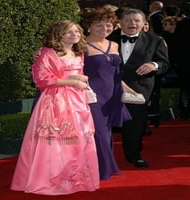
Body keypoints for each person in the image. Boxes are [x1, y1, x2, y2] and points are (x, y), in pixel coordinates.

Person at [10, 20, 100, 195]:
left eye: (77, 31)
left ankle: (76, 180)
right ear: (58, 34)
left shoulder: (78, 52)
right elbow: (41, 79)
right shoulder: (47, 53)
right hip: (55, 101)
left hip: (78, 101)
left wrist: (80, 79)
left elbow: (78, 74)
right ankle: (49, 180)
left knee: (80, 137)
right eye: (69, 32)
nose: (75, 35)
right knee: (54, 141)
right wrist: (72, 81)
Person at [80, 7, 137, 179]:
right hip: (93, 95)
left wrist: (126, 89)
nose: (104, 29)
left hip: (112, 93)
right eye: (99, 26)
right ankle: (101, 169)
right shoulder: (81, 45)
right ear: (89, 26)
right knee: (98, 132)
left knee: (107, 130)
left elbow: (115, 72)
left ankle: (105, 165)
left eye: (108, 26)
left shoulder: (114, 44)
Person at [108, 8, 169, 168]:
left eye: (136, 20)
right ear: (120, 23)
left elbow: (164, 64)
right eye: (127, 20)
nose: (132, 24)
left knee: (135, 126)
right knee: (103, 124)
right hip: (109, 87)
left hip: (138, 89)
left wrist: (153, 64)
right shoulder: (108, 38)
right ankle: (102, 156)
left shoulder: (155, 40)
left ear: (144, 24)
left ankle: (134, 156)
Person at [173, 7, 190, 120]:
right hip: (185, 61)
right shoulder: (183, 23)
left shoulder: (183, 23)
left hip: (184, 61)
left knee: (186, 87)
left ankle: (185, 111)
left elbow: (176, 44)